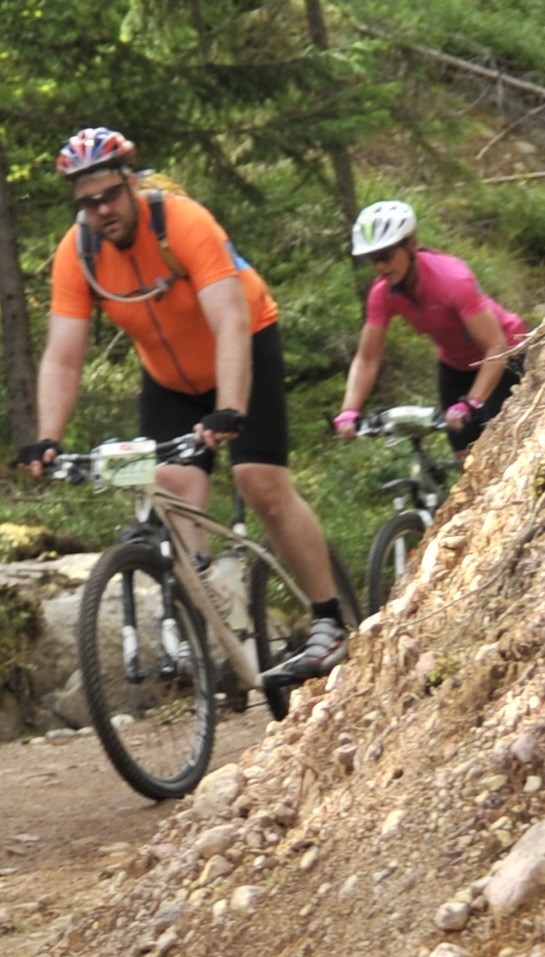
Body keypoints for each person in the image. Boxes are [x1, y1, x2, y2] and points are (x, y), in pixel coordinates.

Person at [20, 127, 342, 677]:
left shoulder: (183, 222)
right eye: (89, 202)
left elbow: (230, 319)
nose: (102, 210)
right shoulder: (78, 253)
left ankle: (328, 620)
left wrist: (230, 407)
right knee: (173, 484)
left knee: (259, 482)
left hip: (243, 344)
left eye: (110, 195)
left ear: (131, 183)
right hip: (168, 376)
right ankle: (212, 620)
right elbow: (63, 357)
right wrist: (49, 437)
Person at [333, 202, 527, 446]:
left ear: (410, 244)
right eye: (374, 258)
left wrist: (472, 402)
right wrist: (349, 411)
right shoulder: (382, 294)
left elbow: (495, 345)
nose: (381, 266)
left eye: (386, 255)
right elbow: (367, 358)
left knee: (500, 447)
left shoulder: (452, 279)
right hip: (455, 363)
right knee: (464, 452)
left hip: (505, 353)